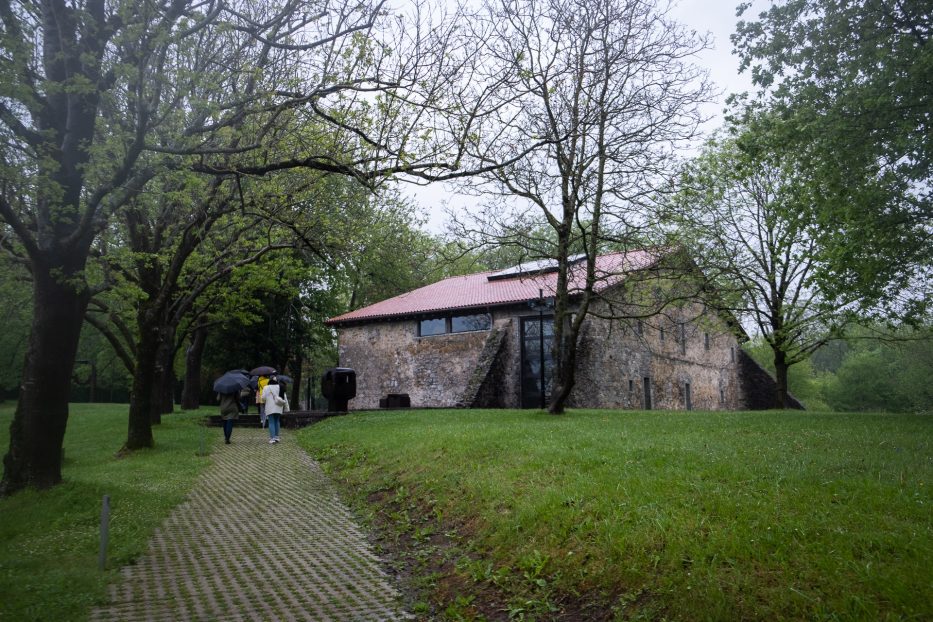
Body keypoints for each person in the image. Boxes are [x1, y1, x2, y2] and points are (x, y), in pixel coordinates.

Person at [261, 376, 286, 444]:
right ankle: (277, 437)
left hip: (270, 406)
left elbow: (263, 398)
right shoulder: (280, 386)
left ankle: (272, 438)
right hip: (279, 406)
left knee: (271, 421)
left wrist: (266, 399)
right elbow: (284, 397)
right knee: (277, 421)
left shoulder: (266, 387)